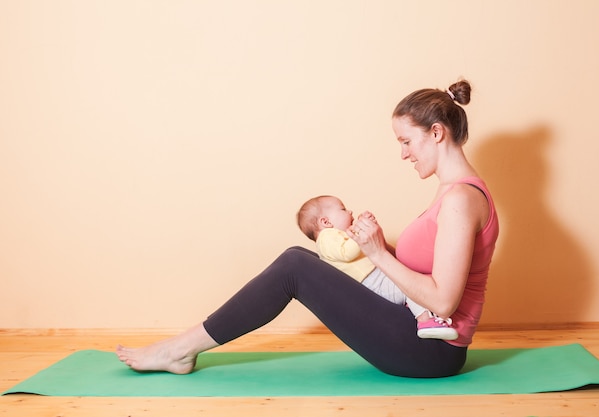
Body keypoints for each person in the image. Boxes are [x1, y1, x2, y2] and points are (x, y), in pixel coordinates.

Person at [116, 79, 499, 378]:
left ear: (436, 133)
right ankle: (182, 347)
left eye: (406, 141)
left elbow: (444, 302)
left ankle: (179, 349)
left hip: (430, 352)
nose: (403, 153)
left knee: (294, 267)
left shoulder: (460, 201)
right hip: (418, 336)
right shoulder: (451, 194)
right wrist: (372, 249)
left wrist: (378, 253)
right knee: (300, 257)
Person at [296, 195, 458, 340]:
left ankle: (425, 315)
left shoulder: (337, 236)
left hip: (375, 280)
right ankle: (426, 321)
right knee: (408, 288)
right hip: (371, 283)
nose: (350, 212)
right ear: (326, 222)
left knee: (409, 283)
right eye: (343, 209)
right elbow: (347, 253)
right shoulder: (326, 238)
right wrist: (360, 233)